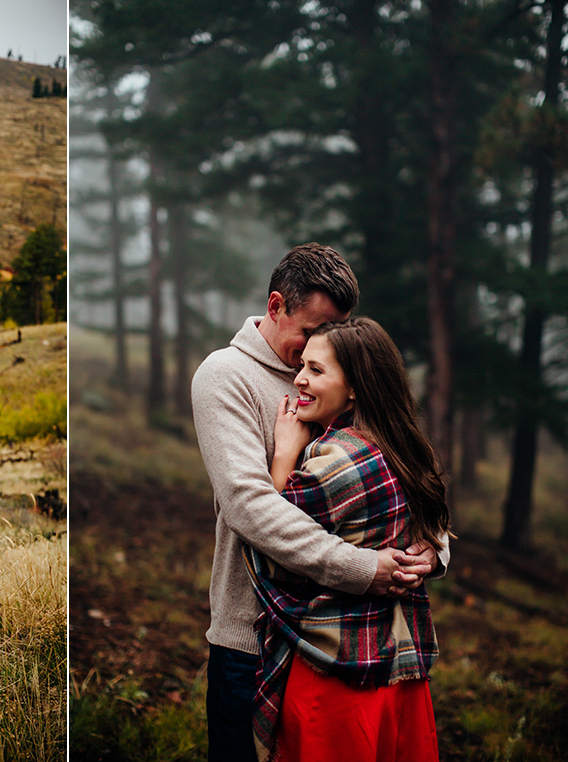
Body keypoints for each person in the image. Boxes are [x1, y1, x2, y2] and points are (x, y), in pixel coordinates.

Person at [190, 243, 449, 761]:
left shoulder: (344, 372)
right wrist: (360, 567)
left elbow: (398, 461)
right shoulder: (225, 377)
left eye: (333, 332)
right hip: (255, 635)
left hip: (350, 641)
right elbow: (248, 504)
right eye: (310, 331)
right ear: (276, 304)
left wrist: (432, 546)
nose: (319, 348)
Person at [245, 317, 450, 761]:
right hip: (400, 668)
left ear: (354, 387)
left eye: (316, 370)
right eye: (303, 365)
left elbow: (273, 544)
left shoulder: (335, 459)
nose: (299, 377)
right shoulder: (402, 447)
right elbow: (432, 530)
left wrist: (283, 456)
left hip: (339, 668)